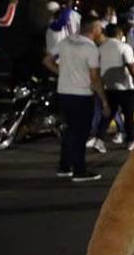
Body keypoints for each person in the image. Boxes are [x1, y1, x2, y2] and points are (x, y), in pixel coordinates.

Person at [43, 18, 110, 182]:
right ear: (93, 29)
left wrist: (63, 73)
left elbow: (46, 60)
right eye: (100, 28)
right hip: (82, 95)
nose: (101, 31)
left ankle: (64, 167)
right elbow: (94, 78)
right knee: (80, 133)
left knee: (70, 130)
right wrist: (104, 101)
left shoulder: (66, 41)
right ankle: (79, 171)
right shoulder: (91, 48)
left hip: (64, 93)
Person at [98, 23, 134, 150]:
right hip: (126, 87)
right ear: (119, 33)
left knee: (109, 114)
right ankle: (131, 140)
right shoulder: (124, 47)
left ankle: (99, 139)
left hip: (109, 86)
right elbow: (131, 66)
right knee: (129, 115)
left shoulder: (101, 48)